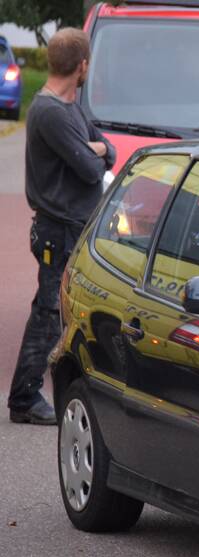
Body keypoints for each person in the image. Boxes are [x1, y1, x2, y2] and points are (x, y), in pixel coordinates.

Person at [8, 28, 114, 426]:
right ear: (82, 65)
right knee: (49, 312)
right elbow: (90, 168)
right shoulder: (50, 111)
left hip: (74, 226)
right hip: (59, 229)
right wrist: (98, 152)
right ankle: (24, 397)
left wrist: (99, 149)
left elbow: (105, 146)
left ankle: (41, 391)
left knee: (63, 310)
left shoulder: (69, 106)